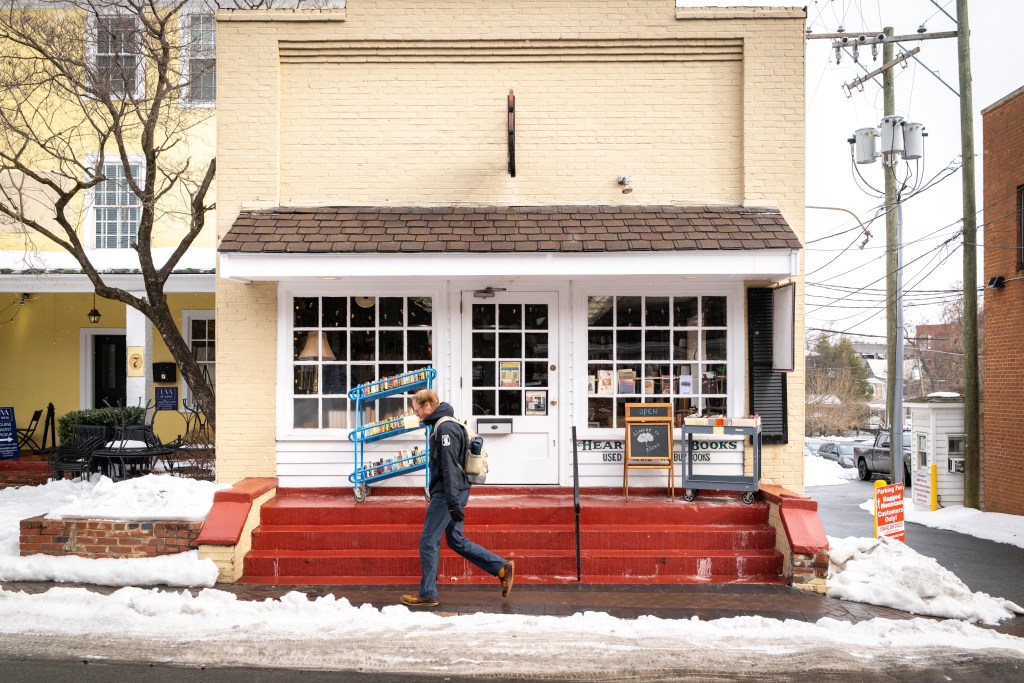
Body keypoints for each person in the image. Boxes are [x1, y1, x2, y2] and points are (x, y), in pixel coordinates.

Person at [400, 389, 514, 608]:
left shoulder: (445, 429)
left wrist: (451, 501)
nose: (417, 415)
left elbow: (450, 468)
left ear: (428, 407)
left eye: (417, 410)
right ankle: (501, 568)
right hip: (454, 491)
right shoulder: (445, 424)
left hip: (447, 494)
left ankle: (428, 594)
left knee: (428, 540)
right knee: (456, 540)